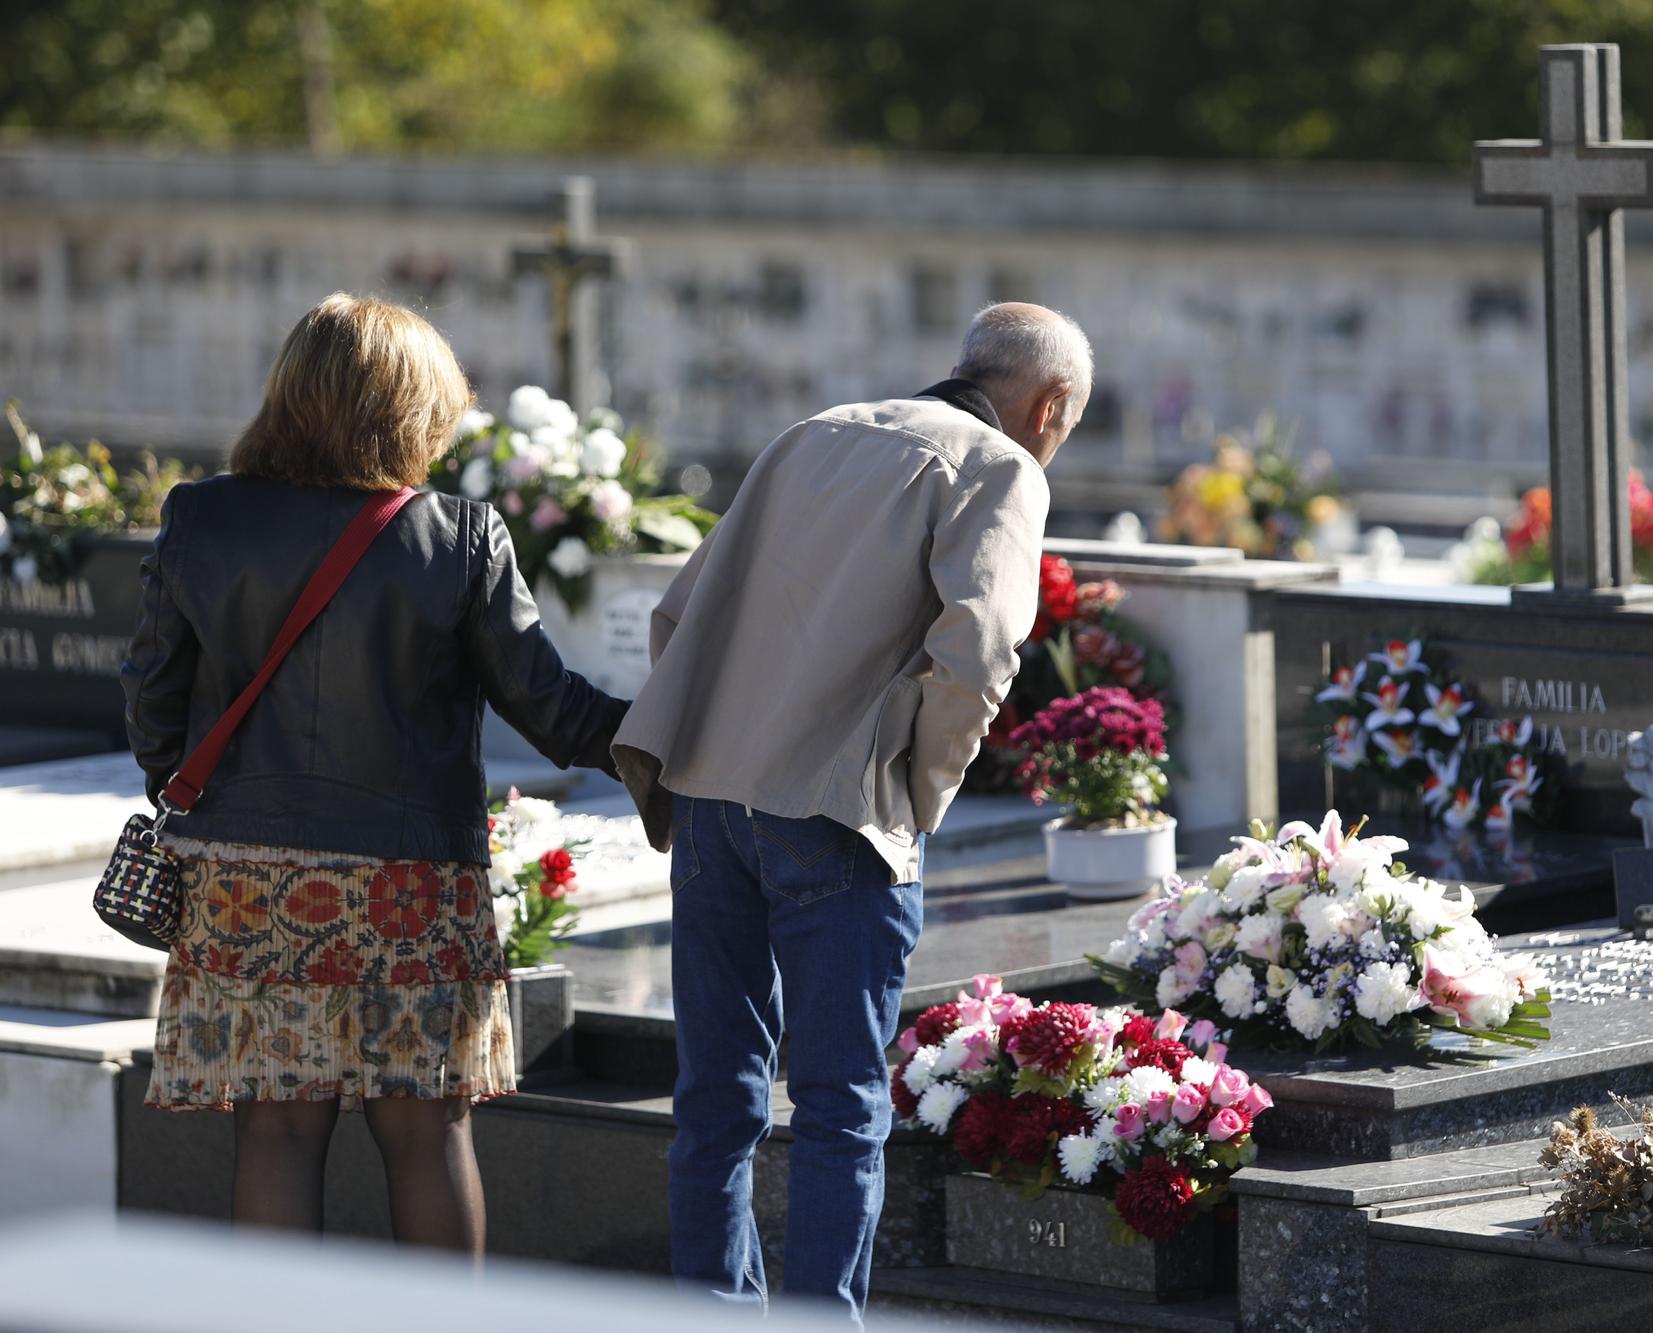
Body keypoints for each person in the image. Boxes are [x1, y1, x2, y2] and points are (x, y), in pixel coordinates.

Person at [612, 301, 1091, 1319]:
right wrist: (912, 798)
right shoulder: (1000, 469)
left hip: (706, 798)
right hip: (836, 811)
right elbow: (979, 656)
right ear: (1047, 403)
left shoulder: (812, 433)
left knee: (713, 1098)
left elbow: (676, 610)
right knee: (837, 1109)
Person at [122, 293, 628, 1253]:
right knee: (425, 1131)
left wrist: (208, 794)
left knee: (273, 1126)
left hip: (244, 880)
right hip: (412, 885)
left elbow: (152, 697)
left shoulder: (202, 517)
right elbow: (555, 709)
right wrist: (686, 737)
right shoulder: (461, 536)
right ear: (414, 407)